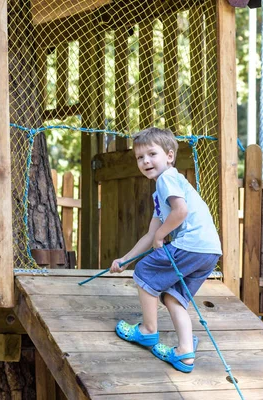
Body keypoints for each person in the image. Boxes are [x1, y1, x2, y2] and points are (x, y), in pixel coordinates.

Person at [110, 127, 222, 373]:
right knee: (173, 296)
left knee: (145, 272)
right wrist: (126, 259)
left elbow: (180, 213)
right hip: (209, 250)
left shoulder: (167, 179)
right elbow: (151, 234)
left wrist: (162, 235)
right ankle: (185, 353)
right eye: (140, 157)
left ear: (169, 156)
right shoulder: (165, 190)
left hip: (191, 244)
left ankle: (148, 331)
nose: (145, 161)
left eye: (152, 154)